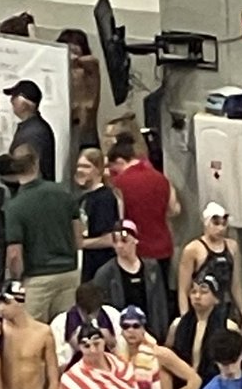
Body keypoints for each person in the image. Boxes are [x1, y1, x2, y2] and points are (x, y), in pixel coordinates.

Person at [3, 146, 81, 322]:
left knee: (33, 334)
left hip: (37, 278)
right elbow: (78, 237)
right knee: (65, 331)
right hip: (69, 273)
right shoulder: (63, 193)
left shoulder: (15, 206)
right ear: (36, 163)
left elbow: (15, 254)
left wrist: (15, 279)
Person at [106, 135, 179, 292]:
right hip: (163, 246)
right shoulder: (162, 178)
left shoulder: (120, 183)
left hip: (138, 249)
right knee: (161, 294)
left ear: (119, 161)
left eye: (114, 168)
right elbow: (173, 209)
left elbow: (120, 216)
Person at [93, 218, 169, 341]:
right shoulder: (105, 274)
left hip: (149, 332)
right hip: (121, 336)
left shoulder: (152, 268)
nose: (119, 246)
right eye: (115, 241)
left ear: (135, 240)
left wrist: (161, 334)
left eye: (124, 241)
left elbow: (160, 304)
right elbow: (100, 311)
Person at [177, 202, 242, 320]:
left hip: (226, 308)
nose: (221, 229)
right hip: (201, 312)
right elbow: (183, 290)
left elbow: (236, 285)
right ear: (206, 223)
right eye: (216, 224)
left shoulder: (232, 247)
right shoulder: (193, 249)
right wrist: (185, 318)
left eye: (224, 224)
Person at [75, 148, 117, 282]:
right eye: (79, 166)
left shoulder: (104, 198)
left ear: (98, 170)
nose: (80, 170)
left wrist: (80, 243)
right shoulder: (83, 198)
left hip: (100, 267)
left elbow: (109, 238)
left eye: (86, 166)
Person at [56, 28, 101, 152]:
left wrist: (70, 57)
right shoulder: (59, 72)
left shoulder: (87, 70)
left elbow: (92, 61)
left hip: (85, 131)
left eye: (74, 51)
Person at [5, 79, 56, 181]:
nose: (11, 101)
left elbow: (29, 168)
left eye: (14, 97)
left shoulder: (33, 132)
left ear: (23, 104)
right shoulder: (34, 128)